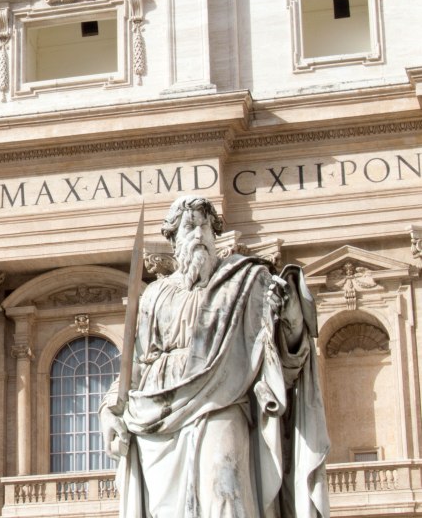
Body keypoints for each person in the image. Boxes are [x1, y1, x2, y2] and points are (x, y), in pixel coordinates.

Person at [100, 196, 329, 517]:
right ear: (173, 240)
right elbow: (136, 365)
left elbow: (284, 360)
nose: (198, 235)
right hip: (158, 419)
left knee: (227, 493)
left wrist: (290, 314)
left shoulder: (245, 283)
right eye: (190, 227)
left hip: (222, 405)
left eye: (205, 228)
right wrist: (109, 408)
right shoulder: (154, 295)